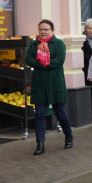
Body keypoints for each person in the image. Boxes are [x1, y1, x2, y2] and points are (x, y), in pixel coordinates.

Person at [26, 19, 73, 155]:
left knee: (60, 112)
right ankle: (40, 144)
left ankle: (68, 135)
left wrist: (46, 62)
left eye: (46, 29)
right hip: (39, 84)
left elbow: (60, 60)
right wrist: (41, 63)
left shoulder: (58, 44)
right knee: (40, 114)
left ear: (52, 30)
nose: (43, 32)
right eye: (41, 29)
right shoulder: (34, 44)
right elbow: (28, 59)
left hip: (55, 83)